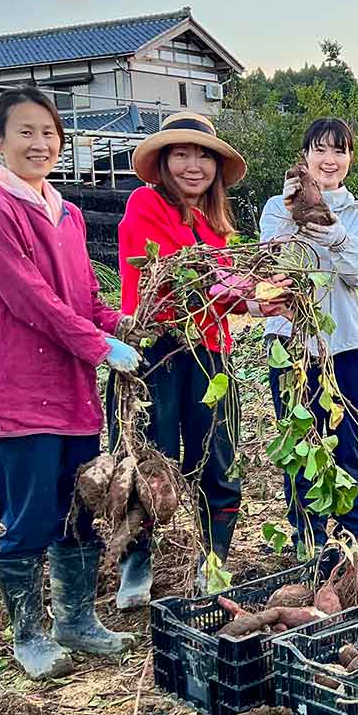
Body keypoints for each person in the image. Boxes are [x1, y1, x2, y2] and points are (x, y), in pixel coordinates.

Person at [0, 86, 138, 679]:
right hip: (19, 392)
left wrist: (124, 323)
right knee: (30, 518)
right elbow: (29, 300)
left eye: (49, 133)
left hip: (73, 394)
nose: (39, 144)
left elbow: (83, 298)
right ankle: (28, 634)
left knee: (78, 511)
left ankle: (76, 621)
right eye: (25, 132)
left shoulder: (67, 213)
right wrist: (100, 346)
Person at [113, 112, 287, 607]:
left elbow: (221, 294)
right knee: (151, 462)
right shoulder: (144, 205)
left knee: (219, 461)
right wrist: (245, 285)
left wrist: (261, 301)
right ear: (164, 161)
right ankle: (136, 563)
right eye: (182, 154)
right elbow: (181, 279)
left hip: (211, 354)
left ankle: (213, 561)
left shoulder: (216, 223)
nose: (194, 166)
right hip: (156, 352)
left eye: (204, 155)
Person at [259, 118, 358, 553]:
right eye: (320, 150)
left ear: (349, 158)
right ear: (305, 156)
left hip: (344, 344)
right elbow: (273, 267)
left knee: (348, 442)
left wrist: (335, 233)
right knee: (299, 443)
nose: (330, 160)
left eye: (339, 151)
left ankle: (354, 537)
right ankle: (306, 538)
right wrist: (299, 214)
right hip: (289, 343)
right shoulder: (276, 207)